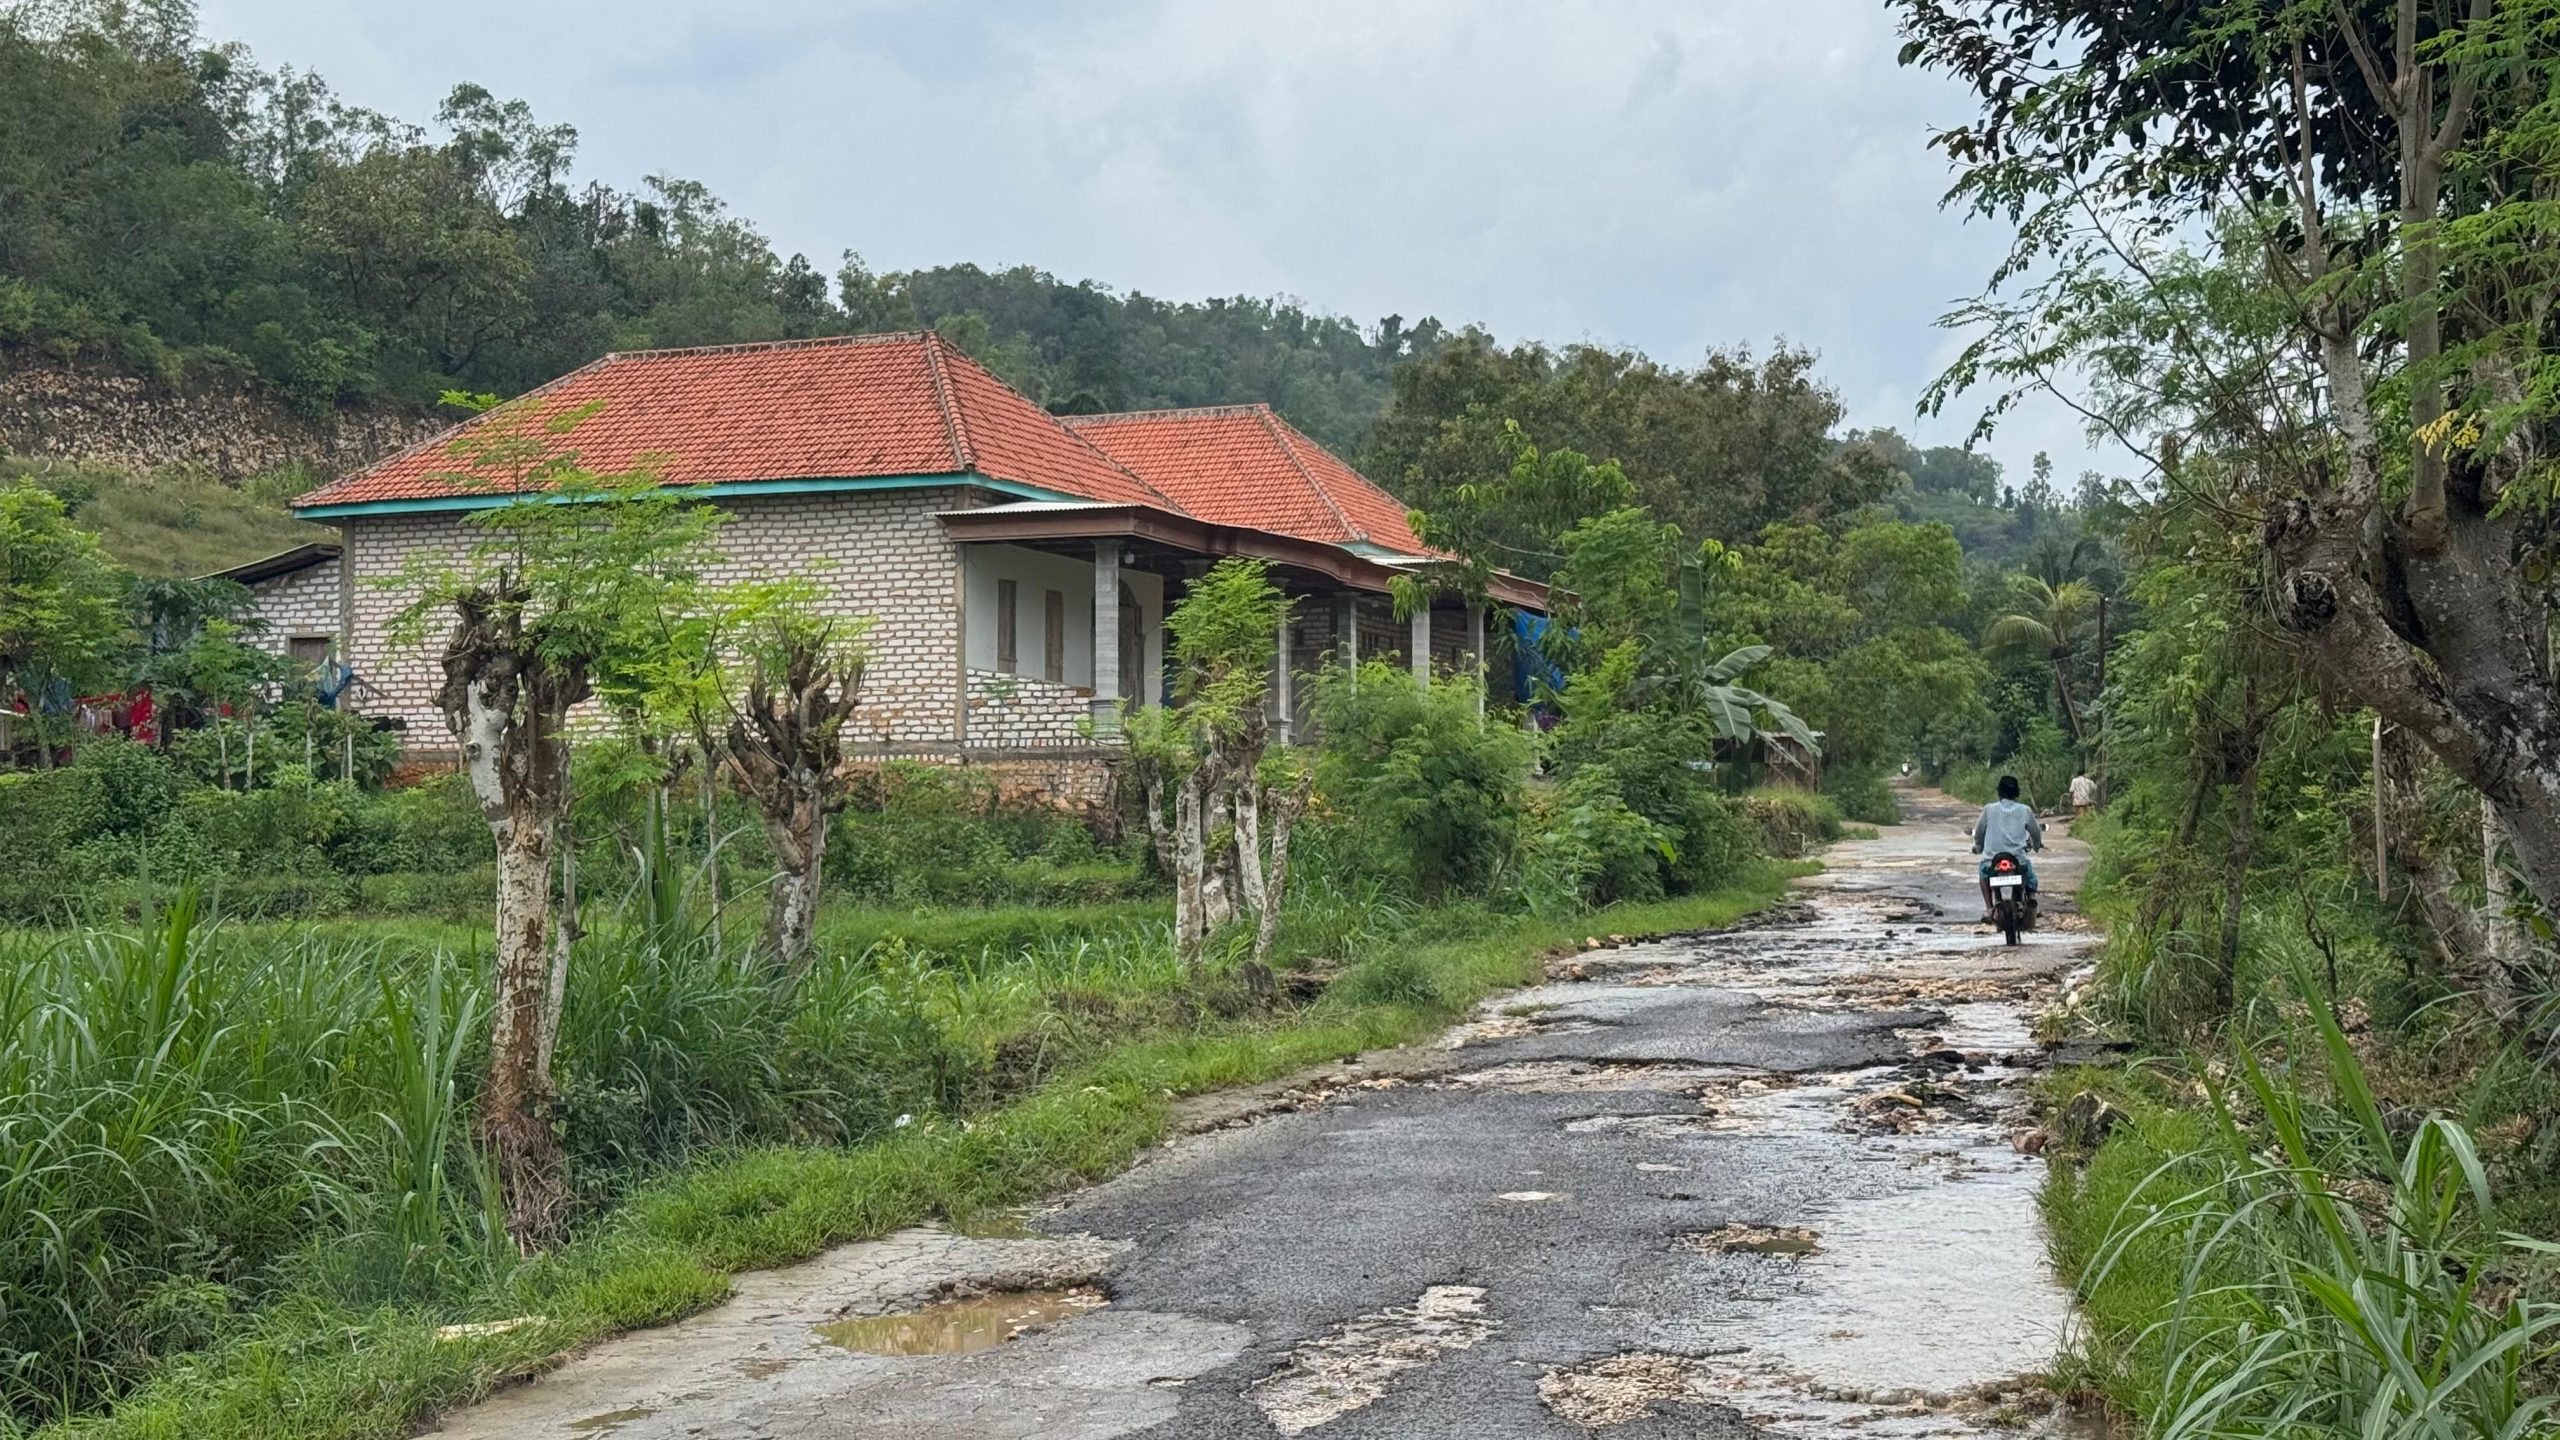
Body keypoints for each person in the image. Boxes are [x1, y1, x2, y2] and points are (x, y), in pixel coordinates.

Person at [1972, 774, 2044, 924]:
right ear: (2017, 792)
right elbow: (2035, 832)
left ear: (1999, 792)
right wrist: (2037, 846)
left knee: (1983, 874)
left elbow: (1979, 832)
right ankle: (2031, 899)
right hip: (2017, 860)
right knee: (2029, 875)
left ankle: (1989, 908)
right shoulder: (2025, 810)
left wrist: (1979, 847)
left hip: (1993, 861)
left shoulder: (1988, 810)